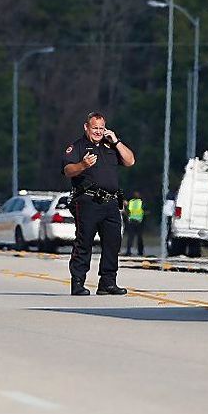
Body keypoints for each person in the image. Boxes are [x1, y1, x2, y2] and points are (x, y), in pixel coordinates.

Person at [62, 112, 136, 295]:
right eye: (94, 128)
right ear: (86, 127)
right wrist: (82, 165)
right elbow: (67, 170)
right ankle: (78, 282)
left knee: (113, 242)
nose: (98, 131)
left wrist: (116, 141)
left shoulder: (110, 146)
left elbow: (130, 161)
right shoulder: (78, 147)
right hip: (87, 201)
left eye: (101, 128)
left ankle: (107, 283)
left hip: (111, 202)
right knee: (84, 242)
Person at [125, 191, 145, 256]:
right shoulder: (141, 202)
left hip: (132, 221)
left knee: (131, 237)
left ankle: (129, 251)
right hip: (138, 221)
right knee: (138, 237)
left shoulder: (130, 202)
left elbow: (127, 211)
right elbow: (144, 211)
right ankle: (140, 252)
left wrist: (128, 217)